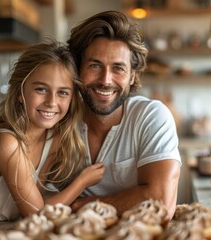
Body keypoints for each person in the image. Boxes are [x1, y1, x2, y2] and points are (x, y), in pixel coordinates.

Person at [0, 38, 105, 223]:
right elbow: (37, 216)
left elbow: (37, 205)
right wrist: (82, 181)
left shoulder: (52, 140)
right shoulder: (6, 143)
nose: (51, 102)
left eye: (62, 92)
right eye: (41, 89)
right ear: (20, 92)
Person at [67, 10, 182, 219]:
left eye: (118, 68)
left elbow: (161, 203)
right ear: (77, 69)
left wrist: (84, 205)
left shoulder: (151, 117)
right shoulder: (60, 118)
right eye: (94, 65)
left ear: (132, 76)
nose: (106, 80)